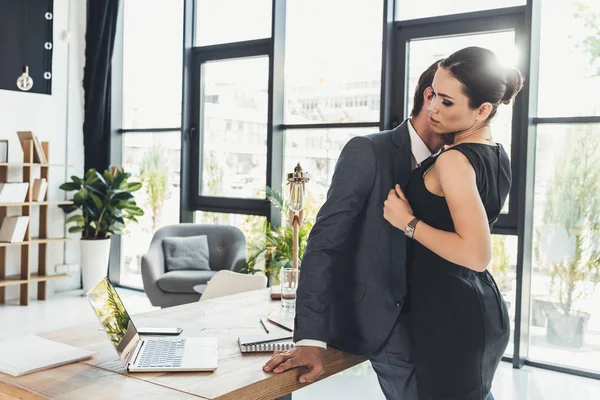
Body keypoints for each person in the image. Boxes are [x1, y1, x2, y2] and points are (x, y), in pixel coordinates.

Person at [263, 60, 446, 399]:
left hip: (441, 321)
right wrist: (311, 339)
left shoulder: (456, 162)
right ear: (431, 98)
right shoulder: (368, 151)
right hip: (385, 323)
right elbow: (324, 244)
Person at [383, 46, 523, 400]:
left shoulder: (454, 162)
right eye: (433, 93)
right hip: (474, 307)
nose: (431, 107)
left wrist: (408, 222)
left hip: (452, 316)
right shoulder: (496, 153)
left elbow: (477, 254)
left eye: (446, 102)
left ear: (483, 110)